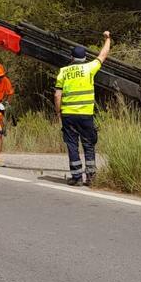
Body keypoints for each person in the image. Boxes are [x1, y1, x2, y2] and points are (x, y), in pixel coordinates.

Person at [55, 31, 111, 186]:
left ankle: (77, 177)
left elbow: (57, 96)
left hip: (68, 116)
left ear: (71, 57)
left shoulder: (63, 72)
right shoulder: (89, 68)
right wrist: (107, 38)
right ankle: (91, 178)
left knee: (72, 145)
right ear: (85, 57)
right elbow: (103, 55)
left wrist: (58, 112)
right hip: (86, 115)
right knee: (88, 144)